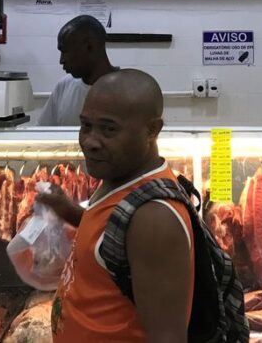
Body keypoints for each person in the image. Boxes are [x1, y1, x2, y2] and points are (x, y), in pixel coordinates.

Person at [39, 69, 195, 343]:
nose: (90, 141)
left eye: (108, 129)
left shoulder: (154, 219)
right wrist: (67, 210)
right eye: (86, 125)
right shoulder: (118, 177)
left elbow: (168, 337)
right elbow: (111, 238)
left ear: (152, 130)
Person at [37, 15, 117, 126]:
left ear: (89, 46)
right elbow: (43, 133)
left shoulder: (127, 91)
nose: (61, 60)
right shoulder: (64, 86)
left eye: (65, 51)